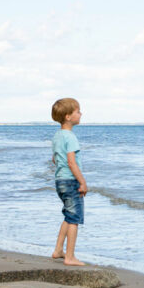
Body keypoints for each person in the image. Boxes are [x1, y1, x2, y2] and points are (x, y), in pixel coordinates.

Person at [50, 97, 87, 266]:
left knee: (68, 215)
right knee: (74, 219)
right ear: (68, 117)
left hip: (60, 181)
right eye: (77, 111)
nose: (81, 114)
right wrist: (82, 182)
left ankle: (58, 250)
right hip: (71, 181)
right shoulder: (70, 137)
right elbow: (71, 162)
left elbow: (54, 159)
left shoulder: (58, 136)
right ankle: (70, 256)